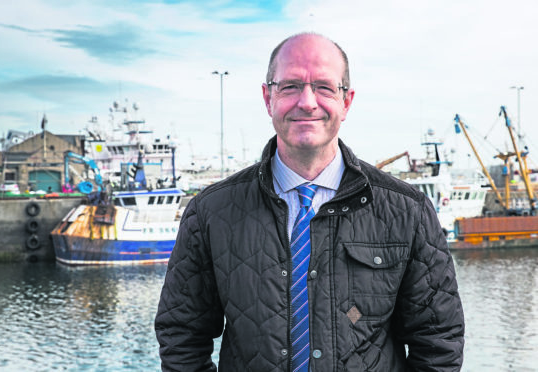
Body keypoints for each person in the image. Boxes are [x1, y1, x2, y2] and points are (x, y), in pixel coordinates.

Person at [155, 32, 464, 371]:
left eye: (324, 87)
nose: (307, 101)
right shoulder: (210, 213)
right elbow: (181, 335)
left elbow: (439, 341)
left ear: (347, 101)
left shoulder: (408, 212)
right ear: (267, 97)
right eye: (289, 86)